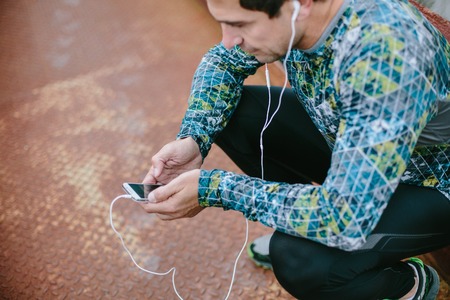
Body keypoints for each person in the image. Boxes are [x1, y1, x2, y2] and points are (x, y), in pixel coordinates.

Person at [141, 0, 450, 299]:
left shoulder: (385, 52)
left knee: (300, 259)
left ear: (302, 4)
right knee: (235, 115)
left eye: (239, 24)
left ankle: (406, 286)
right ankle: (299, 222)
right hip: (356, 149)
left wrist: (214, 189)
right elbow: (222, 60)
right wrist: (193, 137)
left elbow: (342, 217)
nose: (228, 38)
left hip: (431, 185)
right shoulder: (295, 18)